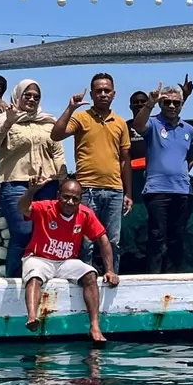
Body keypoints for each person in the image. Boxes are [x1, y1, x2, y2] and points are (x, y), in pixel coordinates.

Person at [0, 79, 68, 278]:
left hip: (47, 186)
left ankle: (40, 277)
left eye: (36, 97)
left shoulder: (48, 121)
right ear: (18, 96)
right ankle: (14, 278)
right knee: (22, 233)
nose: (31, 99)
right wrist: (8, 122)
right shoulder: (5, 117)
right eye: (27, 95)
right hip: (16, 185)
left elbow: (57, 152)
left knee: (46, 233)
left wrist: (63, 181)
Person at [51, 73, 132, 274]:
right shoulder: (81, 117)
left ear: (114, 94)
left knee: (113, 241)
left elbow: (125, 159)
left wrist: (128, 192)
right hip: (86, 190)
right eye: (99, 91)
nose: (103, 94)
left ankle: (111, 277)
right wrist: (71, 108)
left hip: (114, 190)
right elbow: (56, 134)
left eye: (107, 90)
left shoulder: (120, 123)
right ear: (93, 94)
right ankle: (84, 280)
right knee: (85, 242)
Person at [20, 180, 119, 344]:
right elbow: (23, 209)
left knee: (90, 274)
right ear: (58, 195)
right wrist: (31, 192)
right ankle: (32, 317)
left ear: (80, 199)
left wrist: (110, 270)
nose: (70, 202)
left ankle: (94, 326)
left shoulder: (85, 214)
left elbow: (103, 240)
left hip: (66, 261)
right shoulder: (46, 207)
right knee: (34, 276)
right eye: (66, 197)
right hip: (39, 257)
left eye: (75, 199)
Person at [131, 83, 193, 273]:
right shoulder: (153, 123)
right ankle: (153, 277)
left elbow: (191, 158)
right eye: (166, 102)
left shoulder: (189, 130)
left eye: (176, 103)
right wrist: (150, 103)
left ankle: (173, 276)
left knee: (177, 236)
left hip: (183, 191)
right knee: (156, 235)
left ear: (182, 105)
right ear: (161, 104)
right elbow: (137, 125)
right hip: (157, 190)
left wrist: (178, 172)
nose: (171, 106)